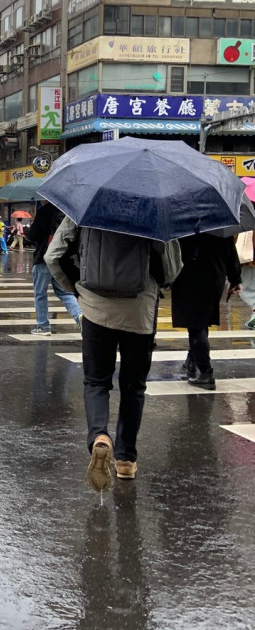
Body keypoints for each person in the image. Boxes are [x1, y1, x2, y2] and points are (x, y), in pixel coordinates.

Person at [46, 218, 182, 489]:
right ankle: (125, 461)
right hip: (140, 312)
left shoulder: (86, 209)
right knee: (133, 387)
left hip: (96, 310)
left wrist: (77, 288)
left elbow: (54, 256)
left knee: (96, 382)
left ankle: (99, 436)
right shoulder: (153, 211)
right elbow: (171, 269)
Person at [171, 233, 241, 390]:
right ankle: (192, 361)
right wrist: (235, 278)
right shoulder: (218, 222)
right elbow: (230, 250)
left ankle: (205, 372)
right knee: (201, 321)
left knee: (196, 324)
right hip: (214, 276)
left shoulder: (183, 219)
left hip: (189, 276)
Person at [27, 200, 82, 336]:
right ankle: (79, 315)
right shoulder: (67, 211)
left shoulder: (44, 211)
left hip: (43, 257)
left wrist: (29, 232)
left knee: (40, 293)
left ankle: (43, 326)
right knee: (65, 293)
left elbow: (33, 235)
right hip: (60, 259)